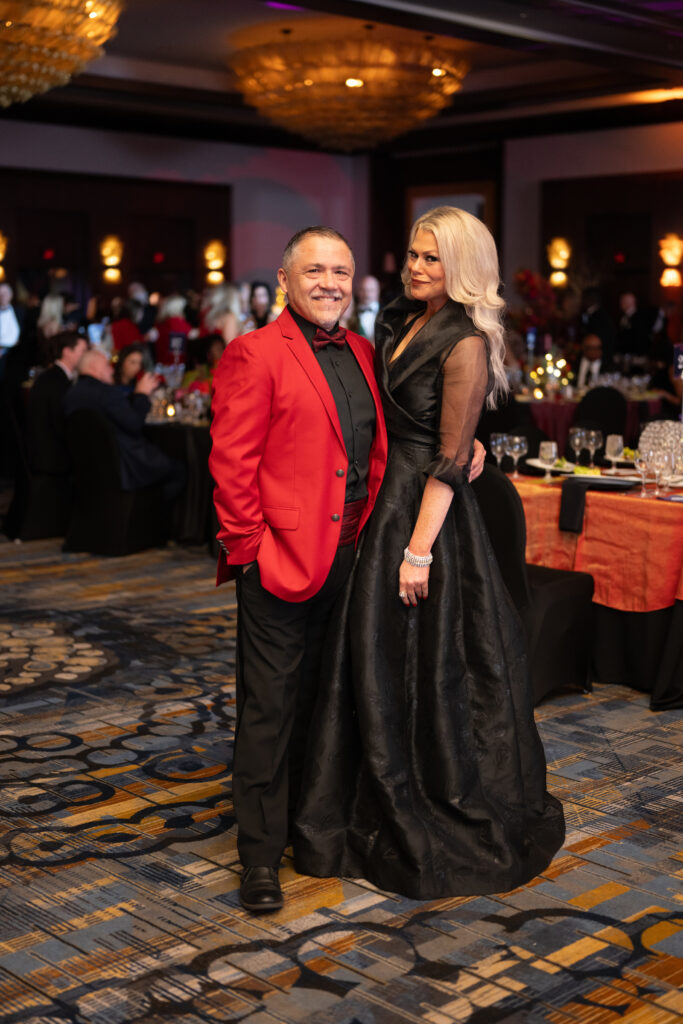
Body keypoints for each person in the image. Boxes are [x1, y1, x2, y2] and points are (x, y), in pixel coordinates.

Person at [210, 225, 487, 913]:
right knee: (270, 708)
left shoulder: (366, 350)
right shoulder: (254, 352)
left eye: (340, 271)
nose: (329, 283)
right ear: (284, 280)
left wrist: (470, 446)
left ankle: (312, 826)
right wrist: (249, 553)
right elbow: (231, 465)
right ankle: (258, 855)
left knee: (329, 700)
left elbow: (410, 428)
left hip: (359, 555)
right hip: (281, 558)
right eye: (314, 271)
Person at [293, 206, 565, 901]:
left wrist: (418, 552)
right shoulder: (399, 320)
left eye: (432, 258)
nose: (415, 267)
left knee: (429, 657)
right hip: (385, 496)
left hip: (425, 515)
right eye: (413, 254)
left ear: (461, 266)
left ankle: (424, 790)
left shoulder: (465, 340)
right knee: (375, 652)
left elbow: (447, 460)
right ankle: (364, 788)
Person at [65, 349, 185, 503]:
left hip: (85, 469)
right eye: (107, 366)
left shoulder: (71, 394)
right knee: (178, 469)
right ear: (95, 367)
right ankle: (153, 513)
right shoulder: (106, 393)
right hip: (124, 466)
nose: (111, 370)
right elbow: (134, 424)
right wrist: (141, 394)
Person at [356, 274, 381, 342]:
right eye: (363, 290)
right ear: (358, 292)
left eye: (371, 290)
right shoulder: (350, 312)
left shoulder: (387, 313)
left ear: (378, 291)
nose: (366, 294)